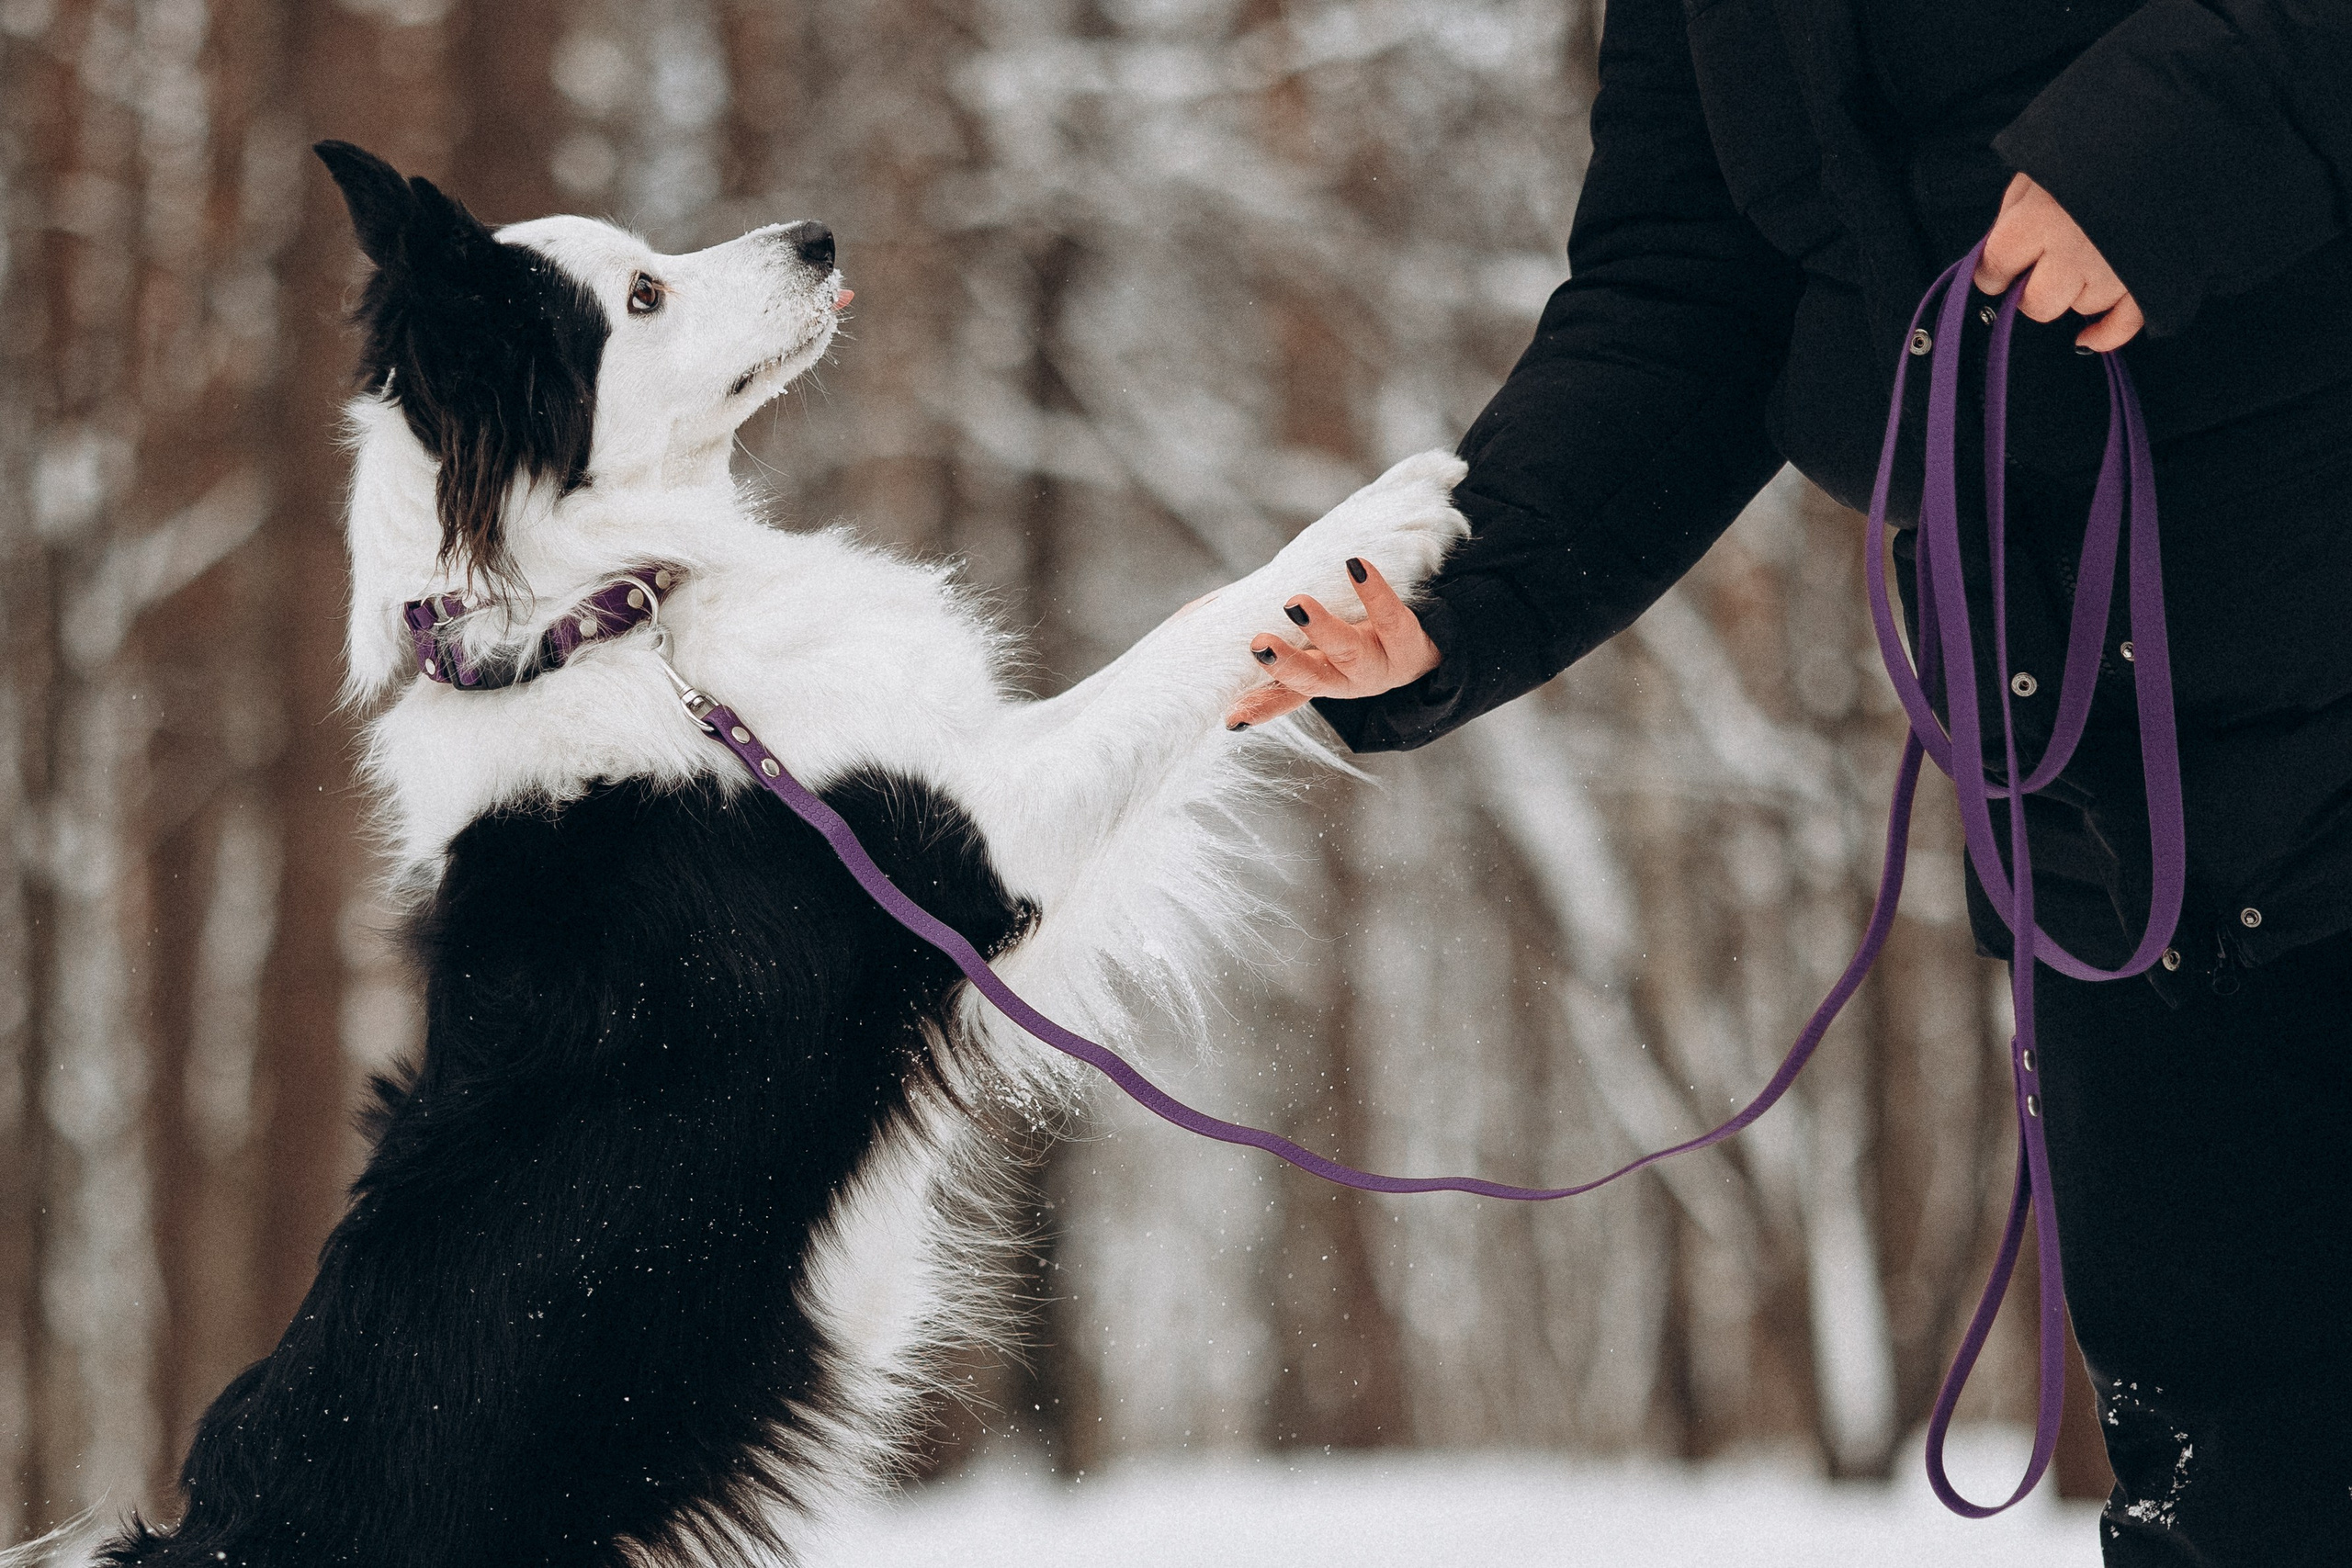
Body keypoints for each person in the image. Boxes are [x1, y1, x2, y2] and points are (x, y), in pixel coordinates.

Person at [1223, 4, 2352, 1564]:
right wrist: (1459, 599)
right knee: (2242, 1503)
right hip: (2106, 809)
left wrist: (2159, 155)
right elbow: (1687, 294)